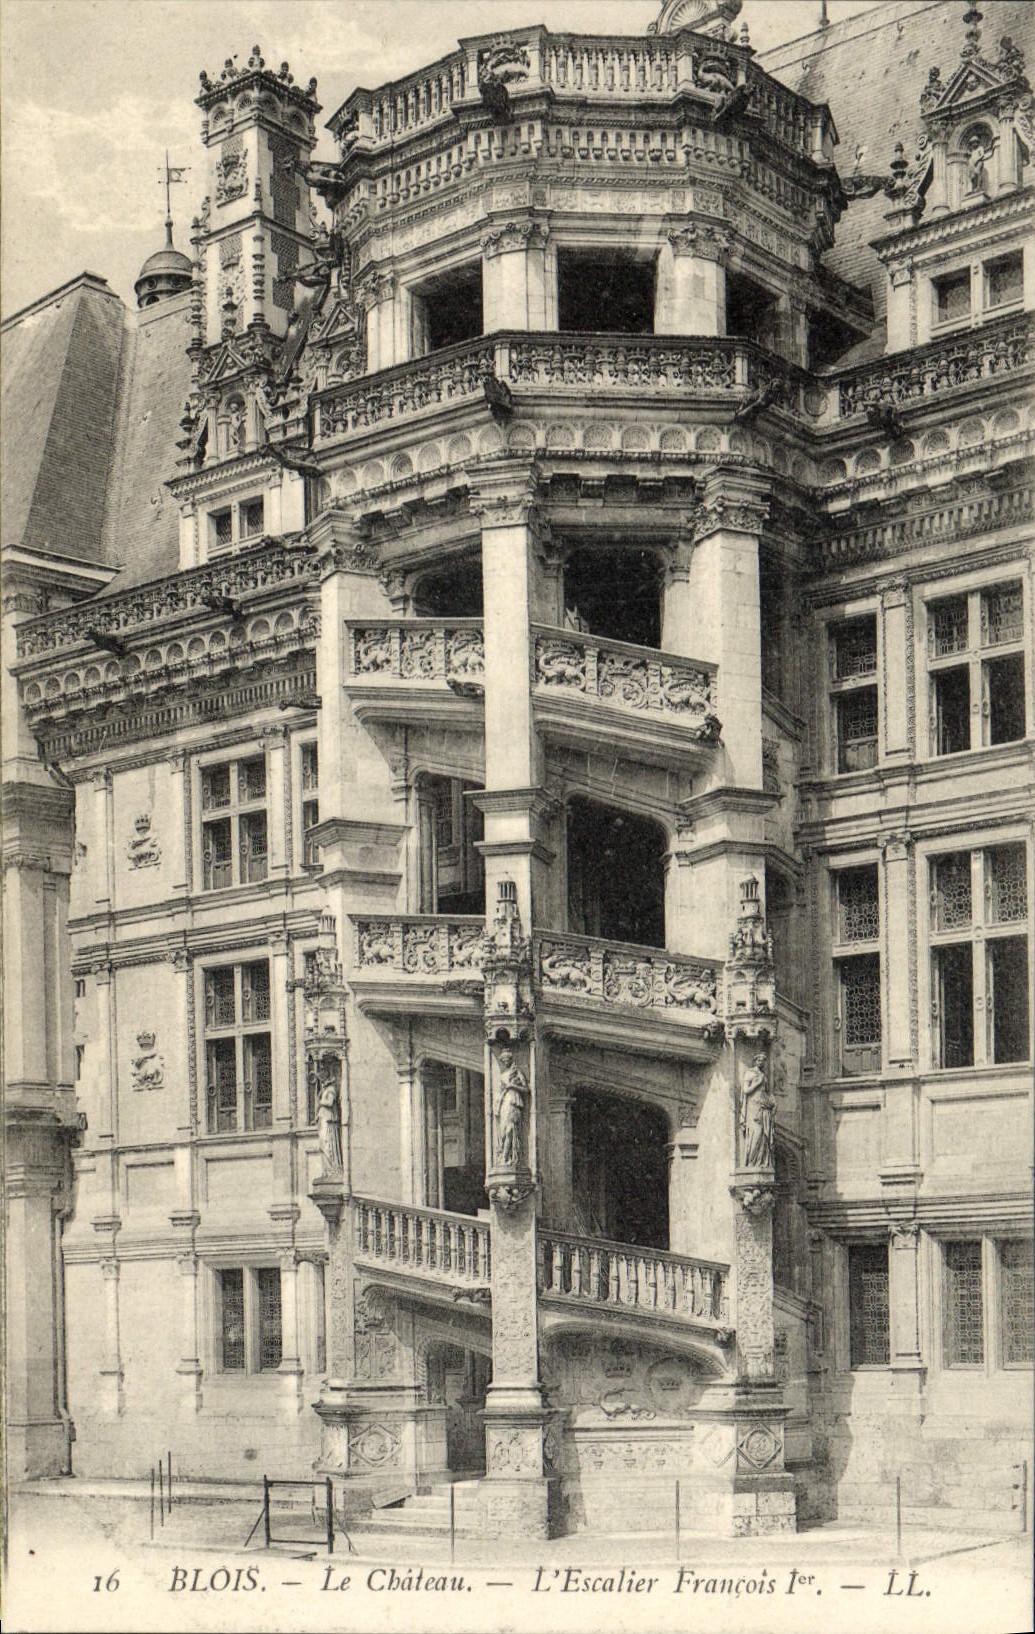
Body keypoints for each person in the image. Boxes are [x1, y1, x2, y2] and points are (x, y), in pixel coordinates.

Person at [740, 1053, 775, 1168]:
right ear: (755, 1061)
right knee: (756, 1133)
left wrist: (772, 1101)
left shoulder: (763, 1075)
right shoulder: (750, 1073)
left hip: (764, 1106)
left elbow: (766, 1091)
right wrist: (756, 1083)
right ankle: (751, 1162)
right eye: (759, 1060)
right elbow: (745, 1090)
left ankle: (761, 1162)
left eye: (763, 1060)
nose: (761, 1062)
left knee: (764, 1135)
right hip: (753, 1106)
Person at [494, 1048, 528, 1169]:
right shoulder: (503, 1075)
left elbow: (526, 1089)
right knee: (503, 1132)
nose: (506, 1061)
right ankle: (503, 1156)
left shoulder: (517, 1072)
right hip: (504, 1103)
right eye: (504, 1060)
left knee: (510, 1130)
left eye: (508, 1059)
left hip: (513, 1102)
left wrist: (512, 1085)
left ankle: (507, 1157)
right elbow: (499, 1092)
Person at [317, 1073, 343, 1173]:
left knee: (328, 1143)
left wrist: (321, 1101)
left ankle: (332, 1167)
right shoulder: (325, 1090)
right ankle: (328, 1168)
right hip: (323, 1118)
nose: (322, 1082)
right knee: (323, 1143)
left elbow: (330, 1102)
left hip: (328, 1119)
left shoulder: (331, 1089)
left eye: (323, 1079)